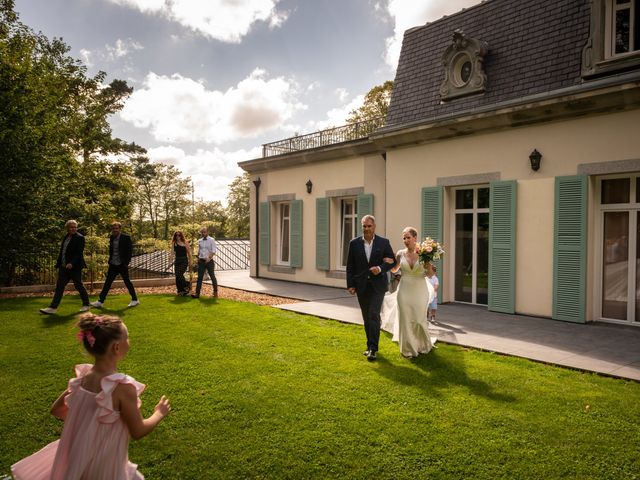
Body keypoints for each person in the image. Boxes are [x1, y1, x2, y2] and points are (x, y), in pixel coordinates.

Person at [11, 312, 171, 479]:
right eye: (127, 338)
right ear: (116, 347)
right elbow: (137, 430)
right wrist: (159, 413)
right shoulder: (122, 388)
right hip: (105, 466)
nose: (129, 342)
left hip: (79, 458)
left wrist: (88, 425)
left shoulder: (82, 378)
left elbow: (57, 409)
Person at [346, 215, 396, 361]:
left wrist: (380, 268)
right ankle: (369, 346)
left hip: (378, 286)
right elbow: (350, 266)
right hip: (361, 286)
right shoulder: (354, 243)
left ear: (374, 226)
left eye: (369, 226)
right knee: (367, 318)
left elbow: (392, 262)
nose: (367, 229)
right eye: (364, 226)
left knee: (374, 315)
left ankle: (373, 349)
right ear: (362, 227)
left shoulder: (383, 242)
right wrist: (350, 285)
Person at [384, 227, 436, 358]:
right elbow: (395, 270)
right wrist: (389, 264)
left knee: (419, 320)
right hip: (404, 289)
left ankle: (422, 345)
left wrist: (429, 265)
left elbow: (430, 274)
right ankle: (408, 349)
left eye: (408, 237)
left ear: (415, 238)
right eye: (404, 238)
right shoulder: (400, 254)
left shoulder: (424, 254)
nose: (406, 240)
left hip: (420, 289)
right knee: (405, 319)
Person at [40, 220, 91, 315]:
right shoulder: (66, 237)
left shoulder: (80, 238)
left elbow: (78, 253)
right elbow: (63, 251)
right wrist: (58, 264)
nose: (73, 229)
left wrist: (72, 263)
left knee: (78, 285)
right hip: (64, 267)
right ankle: (53, 307)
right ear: (67, 228)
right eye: (71, 227)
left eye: (75, 227)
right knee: (59, 286)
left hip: (74, 267)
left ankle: (86, 304)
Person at [91, 222, 139, 309]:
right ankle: (100, 301)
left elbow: (129, 251)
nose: (115, 230)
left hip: (122, 264)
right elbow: (111, 250)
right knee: (107, 283)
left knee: (127, 282)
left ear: (120, 229)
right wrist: (110, 260)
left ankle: (135, 300)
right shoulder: (112, 237)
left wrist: (126, 263)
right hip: (113, 264)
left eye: (117, 228)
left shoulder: (126, 237)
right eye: (113, 228)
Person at [191, 226, 218, 299]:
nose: (203, 233)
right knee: (199, 277)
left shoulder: (212, 240)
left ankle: (215, 292)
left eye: (204, 232)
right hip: (201, 261)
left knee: (212, 276)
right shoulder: (200, 240)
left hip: (209, 261)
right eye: (202, 232)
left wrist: (209, 258)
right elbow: (200, 250)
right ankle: (197, 294)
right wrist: (198, 257)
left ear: (207, 232)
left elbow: (214, 250)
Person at [170, 230, 192, 296]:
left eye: (179, 235)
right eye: (176, 235)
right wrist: (170, 260)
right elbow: (172, 252)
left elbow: (188, 252)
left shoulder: (185, 242)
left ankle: (187, 284)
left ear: (181, 235)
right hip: (177, 261)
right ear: (175, 236)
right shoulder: (174, 243)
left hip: (184, 260)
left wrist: (190, 261)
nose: (177, 236)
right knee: (177, 276)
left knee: (179, 274)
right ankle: (180, 291)